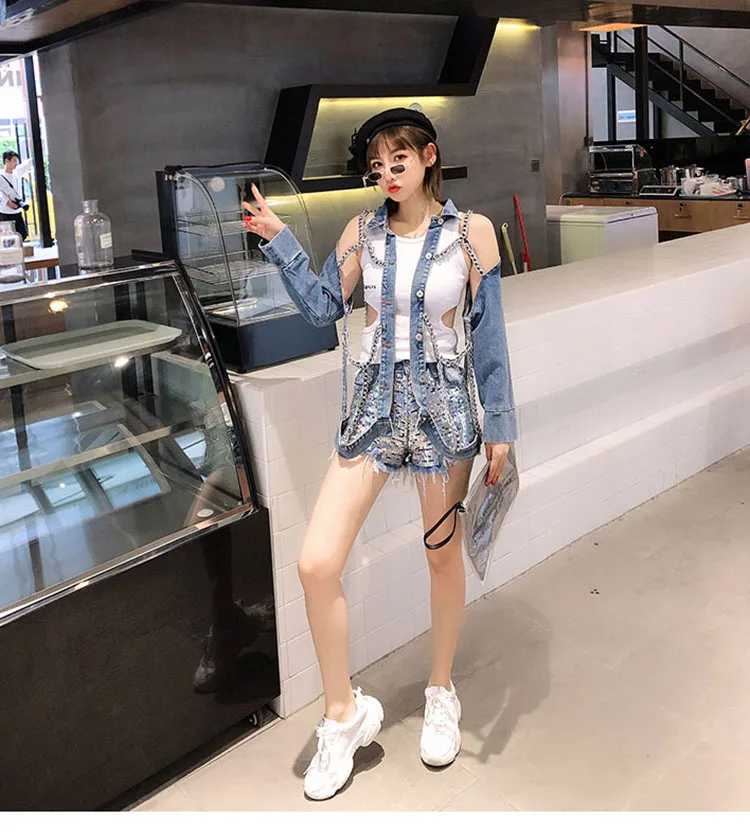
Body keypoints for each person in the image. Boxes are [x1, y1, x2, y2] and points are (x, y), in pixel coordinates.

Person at [242, 107, 517, 801]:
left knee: (440, 556)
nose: (387, 173)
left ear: (429, 156)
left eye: (399, 159)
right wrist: (279, 240)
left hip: (445, 416)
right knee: (316, 562)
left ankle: (440, 690)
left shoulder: (473, 234)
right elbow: (320, 308)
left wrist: (502, 427)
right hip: (372, 414)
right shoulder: (360, 234)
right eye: (376, 164)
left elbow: (489, 338)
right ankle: (344, 715)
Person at [0, 150, 31, 241]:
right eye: (14, 161)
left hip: (17, 211)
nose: (16, 163)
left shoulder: (17, 172)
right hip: (4, 211)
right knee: (6, 238)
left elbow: (28, 164)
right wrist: (6, 202)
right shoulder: (1, 176)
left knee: (22, 235)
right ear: (6, 161)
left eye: (17, 161)